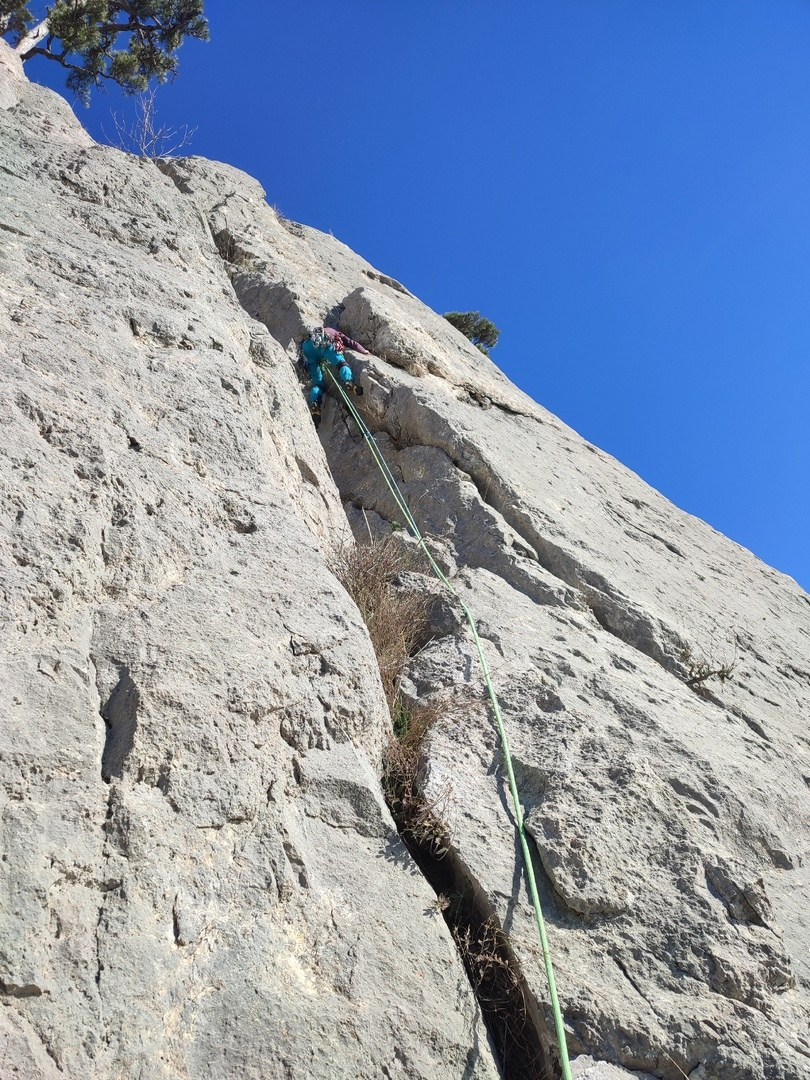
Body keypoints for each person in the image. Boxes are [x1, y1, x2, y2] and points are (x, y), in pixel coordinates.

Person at [300, 326, 369, 427]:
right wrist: (363, 350)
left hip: (307, 348)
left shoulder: (312, 335)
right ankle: (348, 381)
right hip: (324, 343)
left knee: (318, 383)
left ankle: (315, 402)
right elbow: (350, 342)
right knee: (341, 363)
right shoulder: (333, 332)